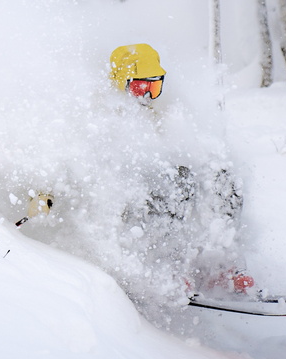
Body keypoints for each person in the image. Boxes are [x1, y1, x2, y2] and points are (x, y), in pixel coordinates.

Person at [109, 43, 254, 295]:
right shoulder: (103, 117)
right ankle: (168, 268)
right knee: (177, 180)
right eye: (140, 87)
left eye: (154, 86)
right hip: (124, 213)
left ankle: (221, 263)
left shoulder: (159, 116)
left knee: (221, 176)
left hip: (160, 202)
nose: (146, 95)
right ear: (122, 83)